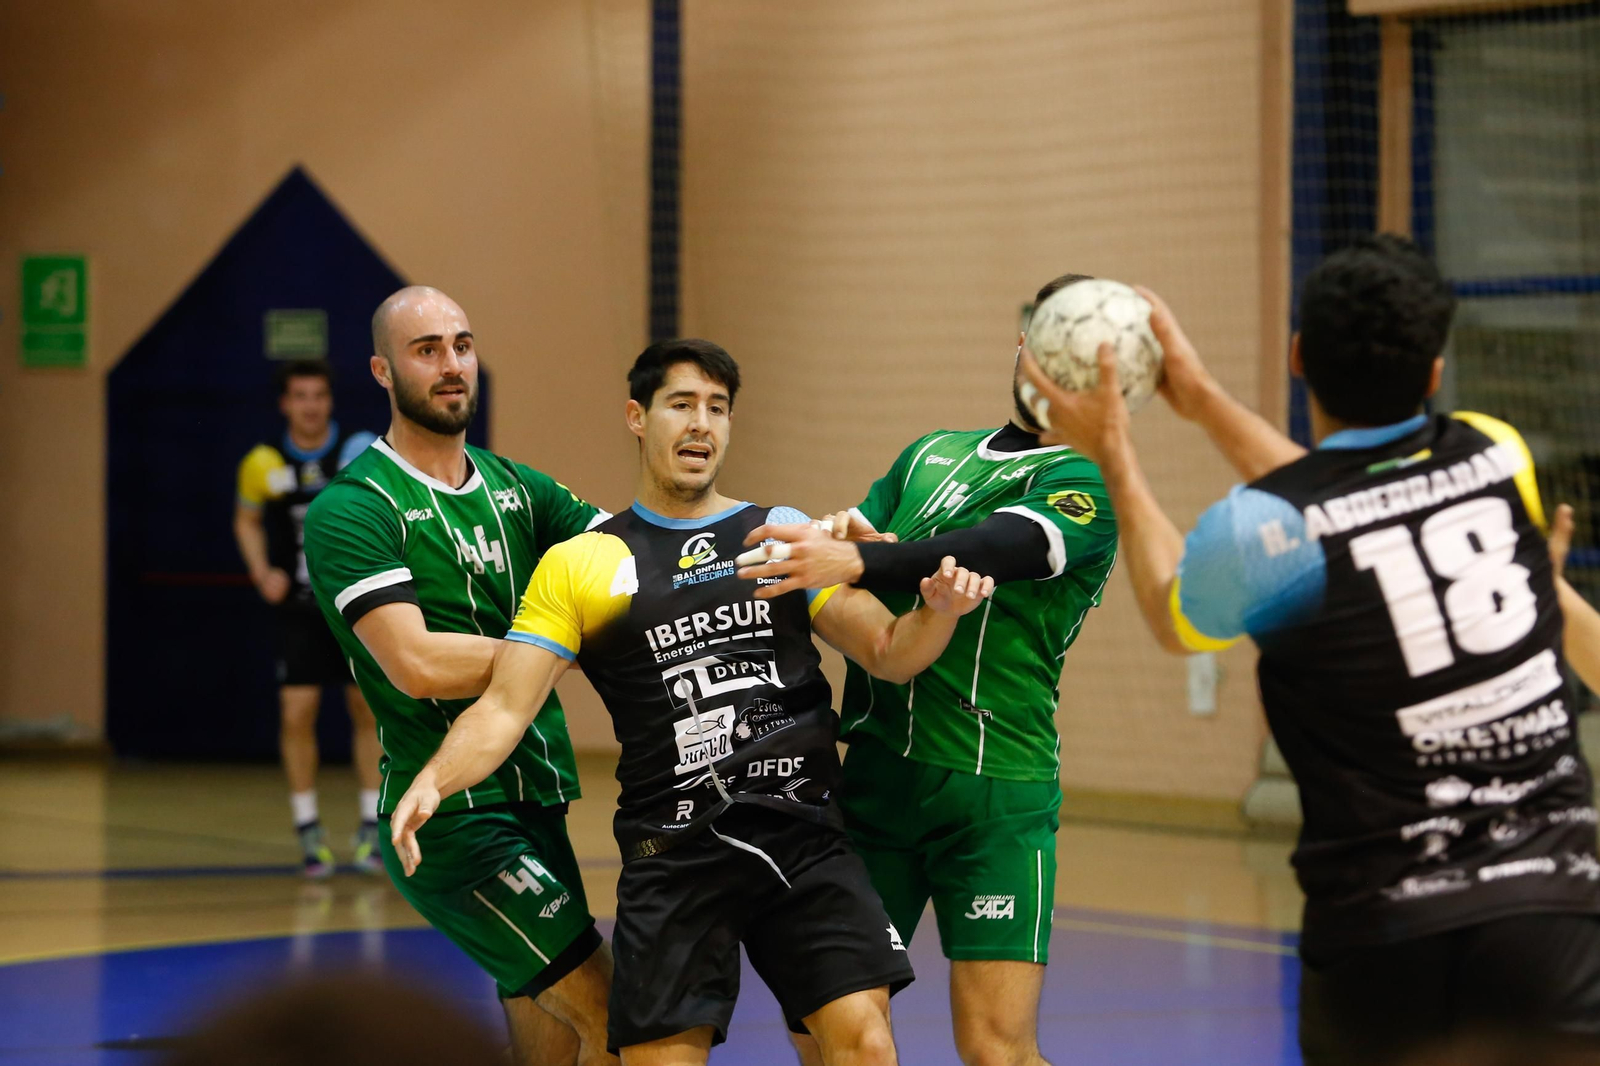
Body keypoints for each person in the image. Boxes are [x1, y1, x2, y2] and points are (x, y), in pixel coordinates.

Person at [1018, 234, 1600, 1064]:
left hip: (1383, 935)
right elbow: (1360, 503)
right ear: (1435, 372)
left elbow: (1171, 612)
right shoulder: (1495, 453)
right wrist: (1206, 399)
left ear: (1298, 356)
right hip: (1550, 923)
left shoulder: (1262, 535)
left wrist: (1114, 449)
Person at [388, 338, 997, 1066]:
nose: (701, 425)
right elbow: (504, 708)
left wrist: (939, 613)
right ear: (637, 417)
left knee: (866, 1042)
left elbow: (889, 652)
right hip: (673, 852)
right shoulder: (583, 563)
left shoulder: (778, 537)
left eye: (717, 408)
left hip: (801, 836)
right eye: (681, 405)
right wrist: (435, 778)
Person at [735, 274, 1118, 1066]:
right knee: (830, 1024)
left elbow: (999, 548)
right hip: (878, 779)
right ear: (1022, 345)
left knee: (995, 1048)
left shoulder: (1084, 483)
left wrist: (859, 557)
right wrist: (845, 547)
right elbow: (860, 566)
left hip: (992, 791)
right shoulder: (929, 455)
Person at [303, 287, 615, 1065]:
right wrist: (559, 646)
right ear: (381, 370)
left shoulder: (516, 487)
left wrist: (768, 534)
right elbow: (417, 664)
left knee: (550, 1036)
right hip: (454, 818)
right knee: (624, 1019)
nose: (452, 366)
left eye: (463, 346)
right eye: (427, 350)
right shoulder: (354, 508)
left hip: (536, 797)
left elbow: (634, 553)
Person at [234, 359, 381, 877]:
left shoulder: (358, 451)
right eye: (300, 396)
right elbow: (246, 519)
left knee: (368, 710)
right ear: (285, 404)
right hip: (299, 610)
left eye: (319, 395)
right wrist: (260, 571)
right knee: (297, 712)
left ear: (330, 401)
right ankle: (308, 831)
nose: (311, 405)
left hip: (356, 605)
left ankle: (371, 829)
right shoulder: (265, 462)